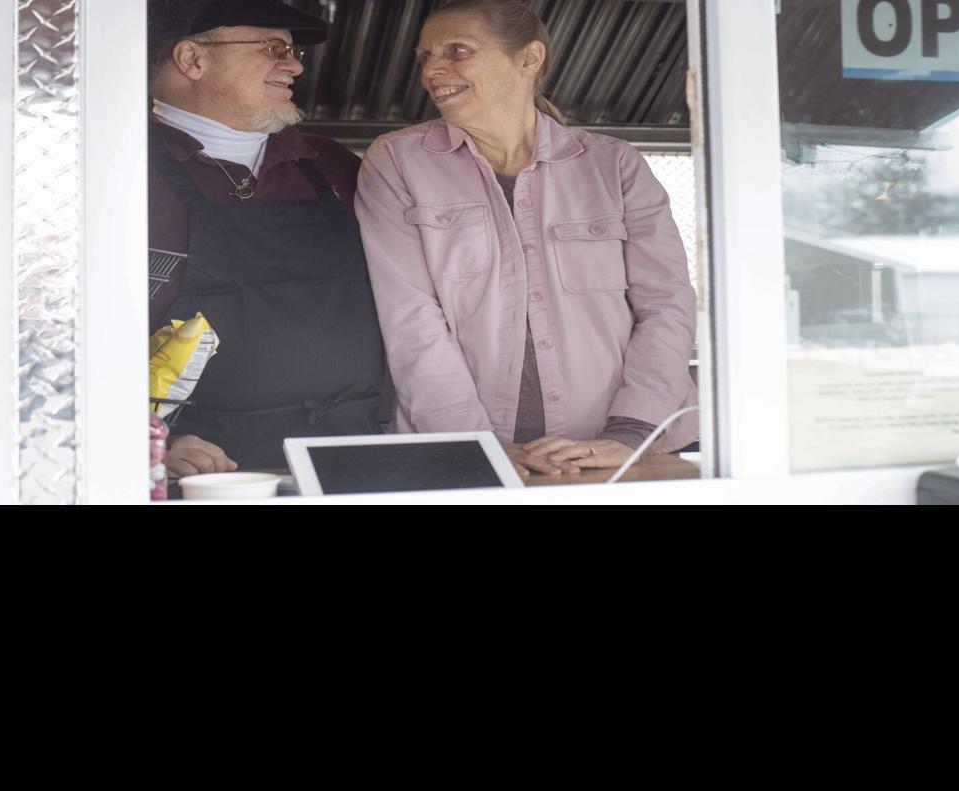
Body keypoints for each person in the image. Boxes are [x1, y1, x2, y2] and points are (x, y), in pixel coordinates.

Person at [355, 0, 697, 477]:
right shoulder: (397, 161)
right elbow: (409, 316)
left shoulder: (614, 165)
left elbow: (667, 303)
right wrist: (473, 445)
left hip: (621, 453)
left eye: (457, 50)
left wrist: (629, 434)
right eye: (425, 57)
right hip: (460, 450)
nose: (433, 70)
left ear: (529, 58)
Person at [148, 0, 386, 477]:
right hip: (210, 473)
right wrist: (143, 440)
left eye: (292, 49)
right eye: (272, 47)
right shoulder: (113, 167)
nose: (295, 64)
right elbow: (46, 333)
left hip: (354, 462)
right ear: (192, 59)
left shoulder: (335, 165)